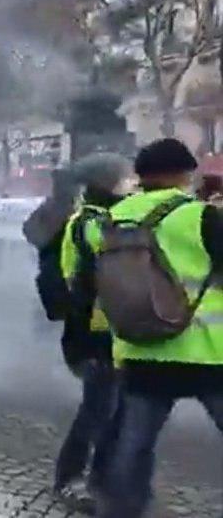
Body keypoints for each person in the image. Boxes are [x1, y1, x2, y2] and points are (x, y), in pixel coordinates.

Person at [84, 139, 223, 517]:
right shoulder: (199, 216)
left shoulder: (109, 220)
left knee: (134, 442)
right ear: (182, 173)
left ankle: (121, 510)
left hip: (141, 345)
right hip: (207, 350)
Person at [46, 155, 134, 502]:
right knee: (97, 410)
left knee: (113, 410)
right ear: (109, 183)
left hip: (111, 329)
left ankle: (101, 477)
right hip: (94, 330)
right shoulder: (91, 223)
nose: (133, 187)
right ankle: (69, 477)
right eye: (127, 181)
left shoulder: (105, 218)